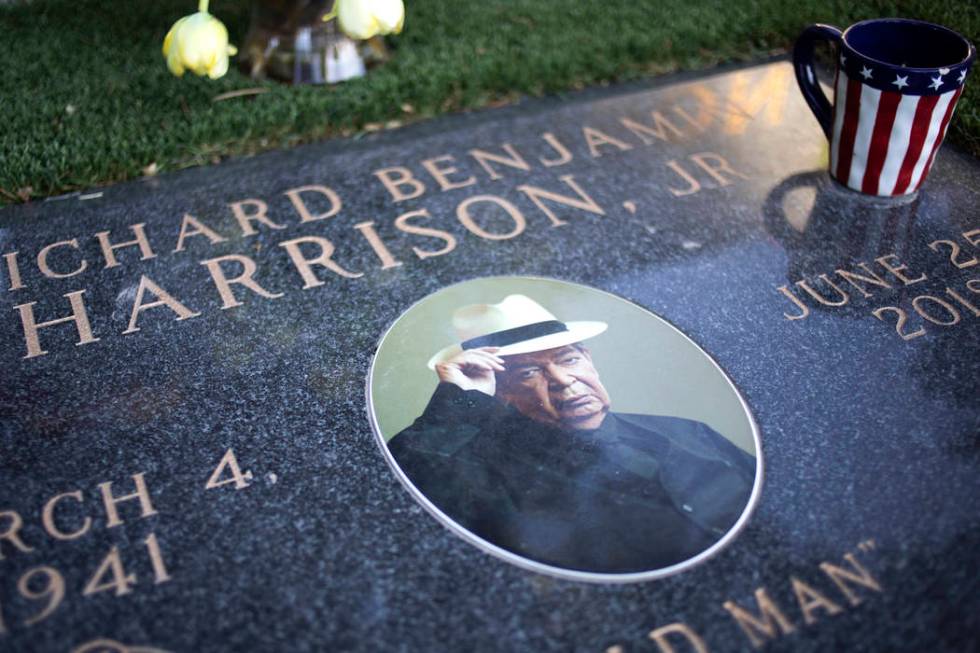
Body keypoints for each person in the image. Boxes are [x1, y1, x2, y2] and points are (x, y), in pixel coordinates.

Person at [387, 294, 755, 574]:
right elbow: (395, 487)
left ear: (589, 359)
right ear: (502, 393)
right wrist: (458, 403)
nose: (563, 382)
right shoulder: (482, 475)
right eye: (529, 373)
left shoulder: (687, 432)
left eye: (568, 360)